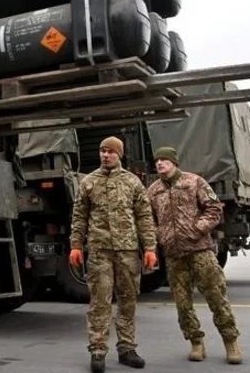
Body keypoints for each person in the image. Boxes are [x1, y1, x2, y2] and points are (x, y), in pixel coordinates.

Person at [145, 146, 242, 365]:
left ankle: (230, 341)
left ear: (174, 162)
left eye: (164, 160)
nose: (159, 163)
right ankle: (196, 342)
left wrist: (198, 228)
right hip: (173, 254)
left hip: (200, 251)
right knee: (182, 303)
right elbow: (147, 219)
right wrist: (159, 235)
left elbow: (214, 208)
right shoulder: (153, 190)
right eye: (157, 160)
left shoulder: (194, 182)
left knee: (216, 296)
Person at [69, 136, 158, 373]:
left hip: (128, 251)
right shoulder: (88, 182)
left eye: (110, 151)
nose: (105, 155)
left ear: (119, 154)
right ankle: (98, 350)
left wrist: (150, 248)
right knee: (100, 301)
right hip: (99, 251)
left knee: (128, 300)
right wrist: (75, 245)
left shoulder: (132, 183)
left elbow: (144, 217)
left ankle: (127, 348)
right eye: (102, 151)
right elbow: (79, 217)